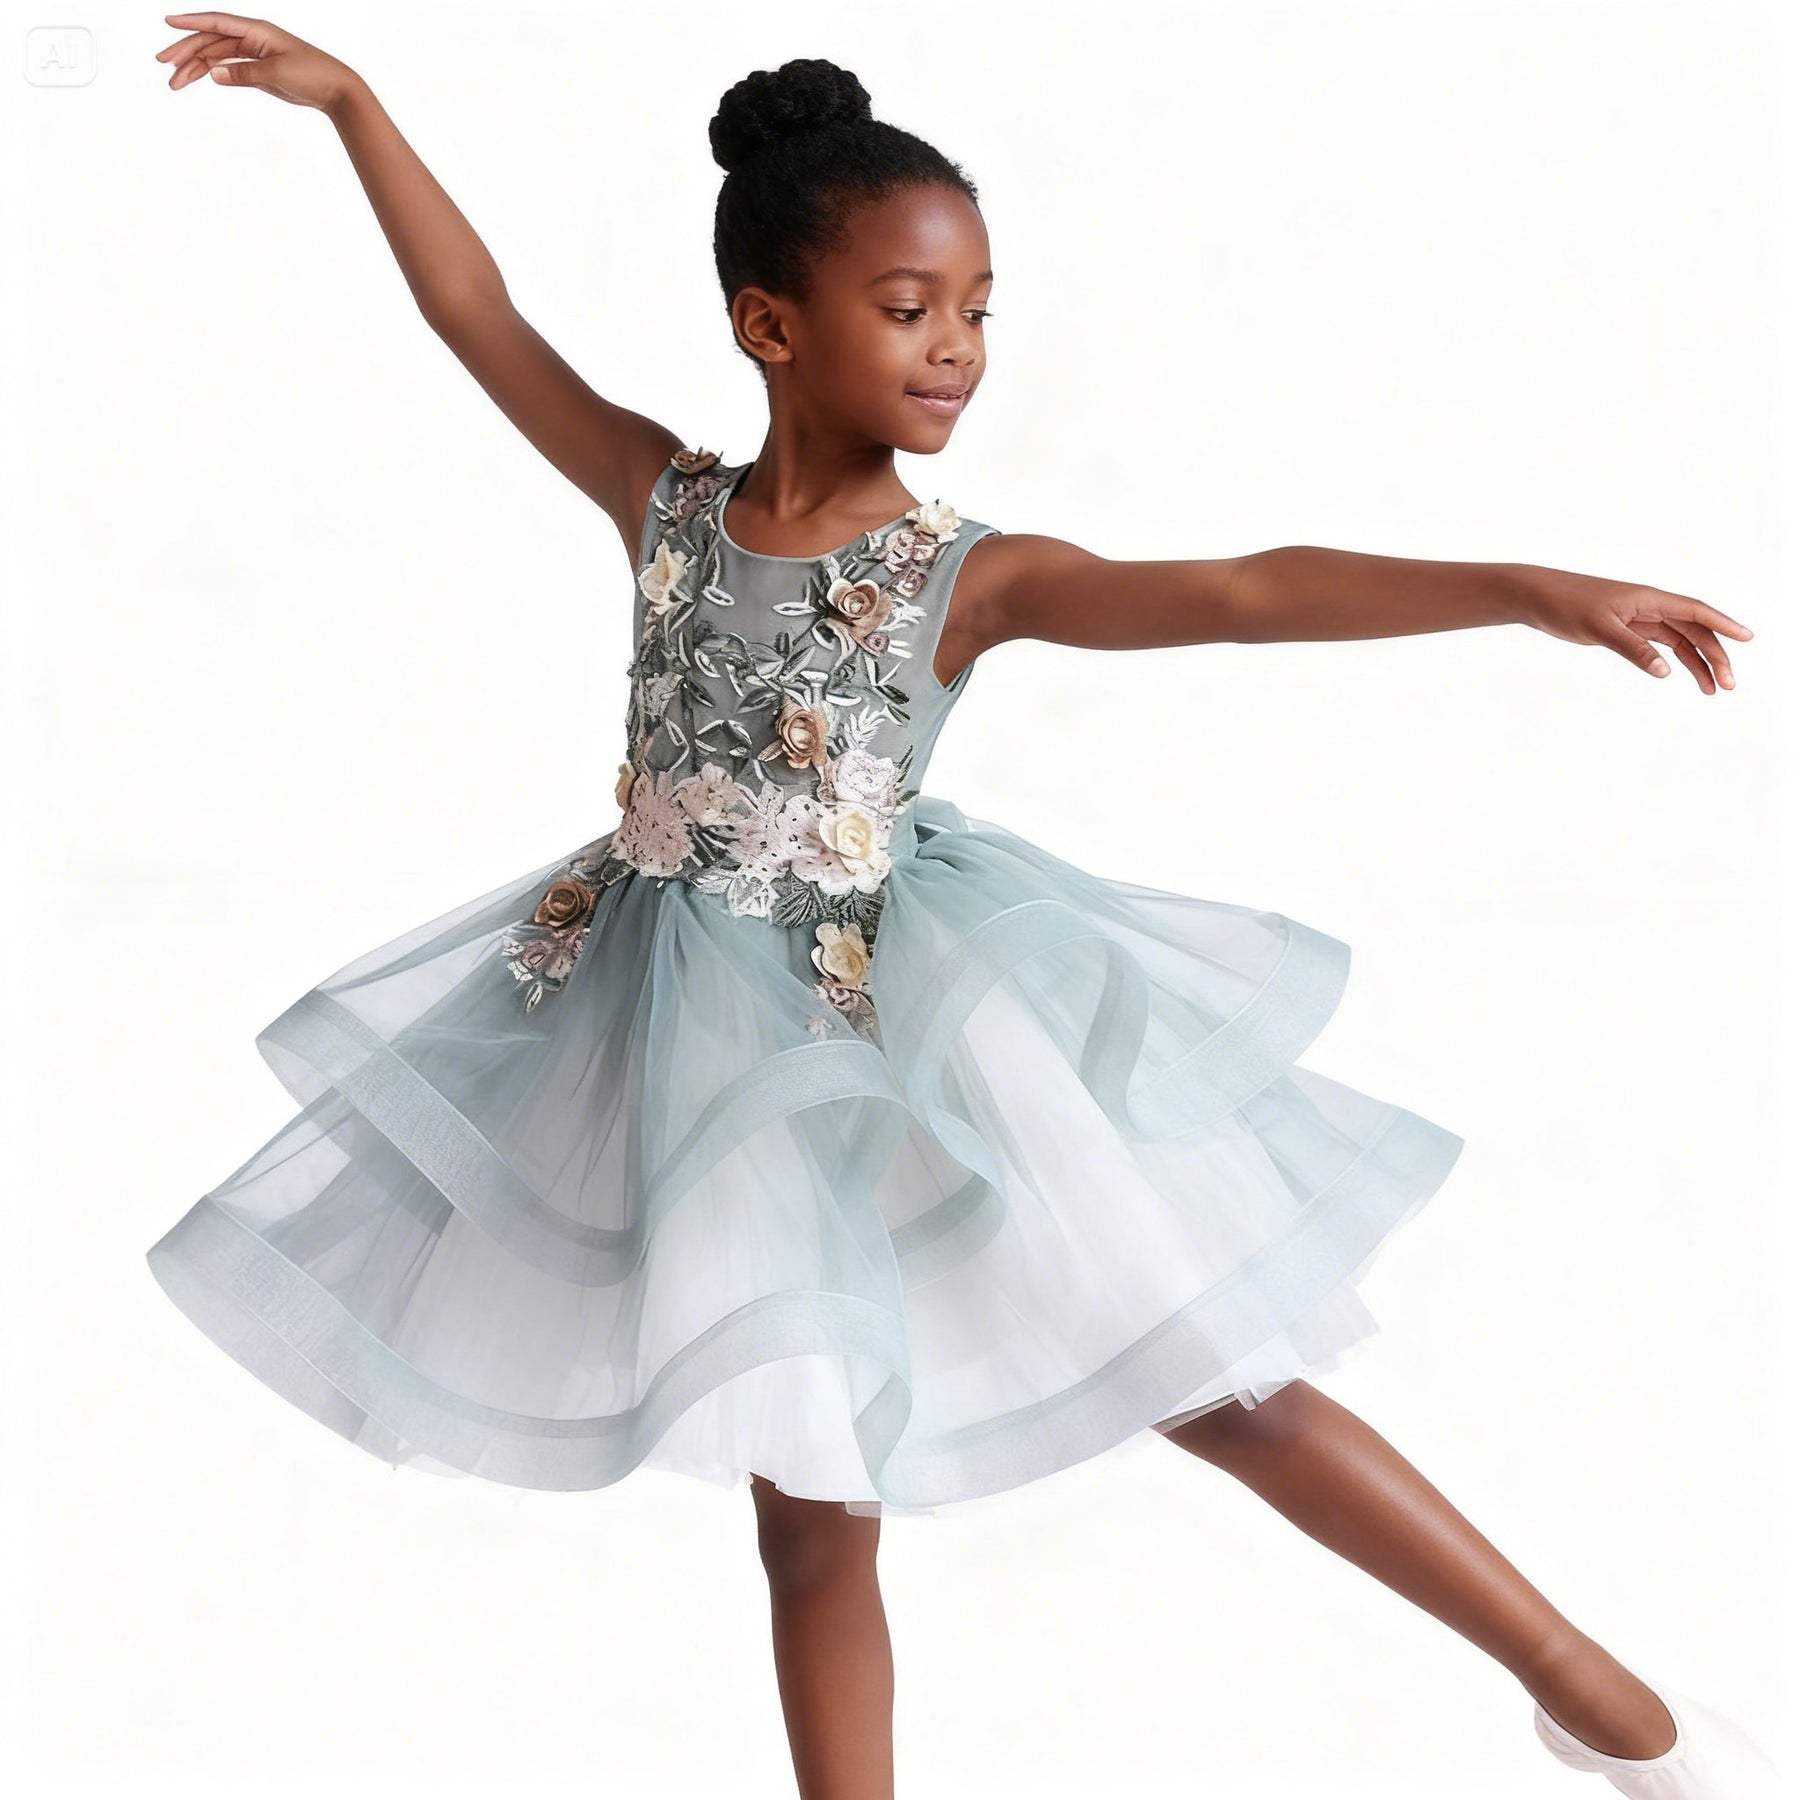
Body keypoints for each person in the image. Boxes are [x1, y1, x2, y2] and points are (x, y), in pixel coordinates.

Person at [145, 19, 1776, 1799]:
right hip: (685, 1039)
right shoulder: (667, 507)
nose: (959, 351)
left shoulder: (961, 577)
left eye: (979, 311)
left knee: (1214, 1379)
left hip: (897, 1013)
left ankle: (1599, 1696)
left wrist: (1525, 588)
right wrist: (355, 106)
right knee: (806, 1504)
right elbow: (479, 317)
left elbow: (1242, 590)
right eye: (912, 307)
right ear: (772, 324)